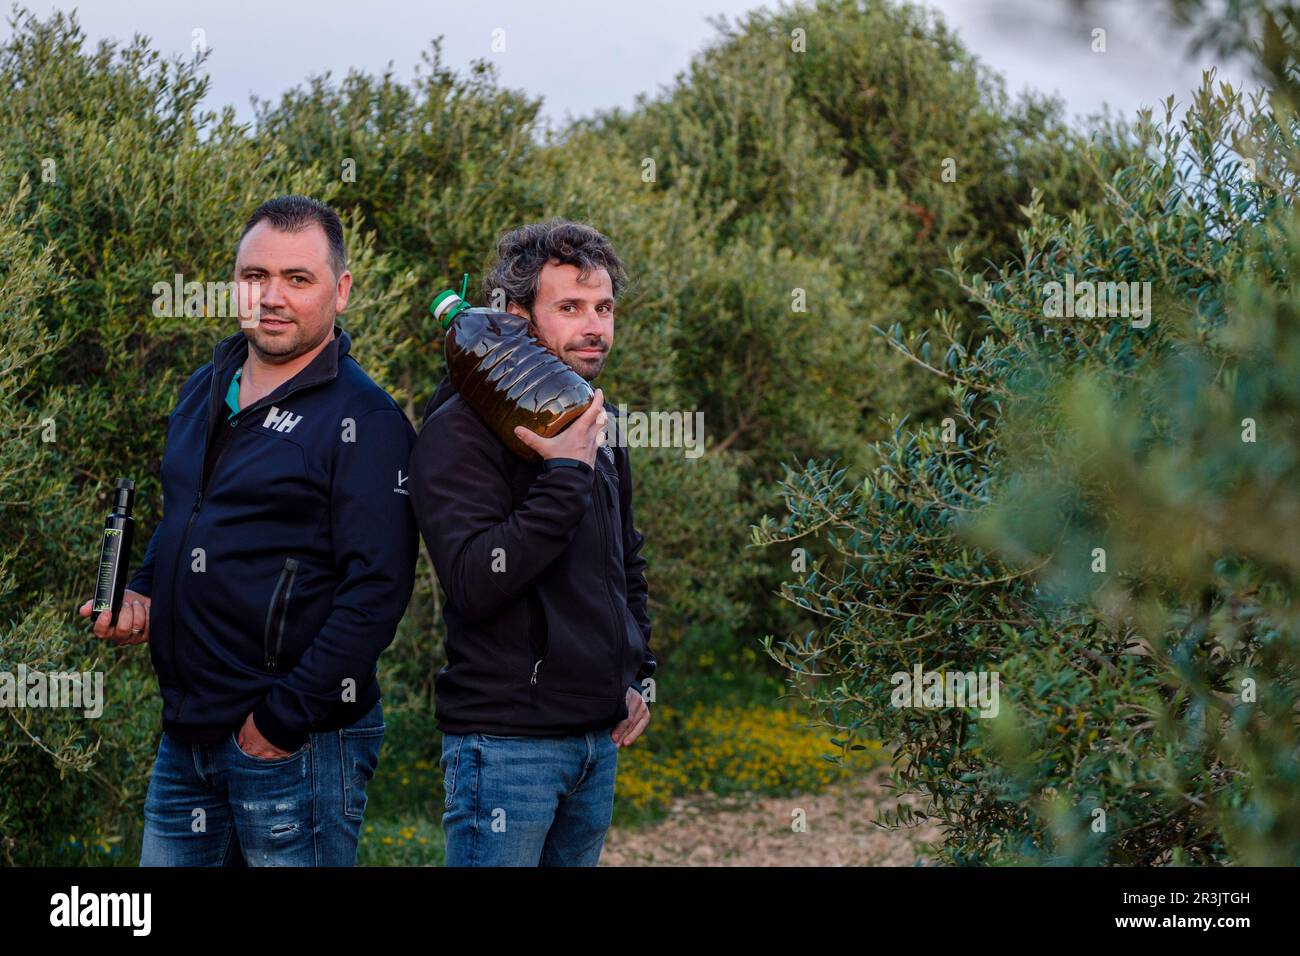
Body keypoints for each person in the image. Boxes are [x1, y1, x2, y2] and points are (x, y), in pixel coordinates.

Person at [80, 195, 417, 866]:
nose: (271, 296)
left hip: (295, 745)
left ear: (340, 290)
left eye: (298, 279)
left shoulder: (366, 421)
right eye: (254, 276)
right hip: (187, 736)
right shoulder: (205, 386)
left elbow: (377, 591)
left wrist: (279, 723)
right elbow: (187, 511)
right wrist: (142, 593)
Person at [410, 218, 655, 867]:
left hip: (593, 742)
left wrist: (635, 673)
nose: (595, 326)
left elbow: (622, 560)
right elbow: (474, 580)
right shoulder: (457, 432)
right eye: (570, 307)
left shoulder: (600, 419)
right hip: (506, 747)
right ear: (515, 317)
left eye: (603, 307)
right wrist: (564, 474)